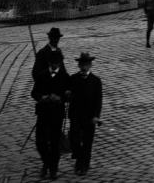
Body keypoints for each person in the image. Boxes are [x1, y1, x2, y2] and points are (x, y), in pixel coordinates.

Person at [31, 50, 69, 180]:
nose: (55, 65)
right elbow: (34, 93)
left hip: (57, 114)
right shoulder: (42, 76)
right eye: (53, 63)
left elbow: (69, 95)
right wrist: (43, 97)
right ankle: (48, 162)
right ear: (49, 63)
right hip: (43, 112)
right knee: (40, 141)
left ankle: (53, 169)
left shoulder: (64, 76)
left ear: (60, 63)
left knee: (54, 142)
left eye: (57, 63)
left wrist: (60, 98)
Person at [68, 52, 103, 177]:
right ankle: (78, 158)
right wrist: (68, 95)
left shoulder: (96, 81)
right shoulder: (73, 79)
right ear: (78, 65)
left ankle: (84, 165)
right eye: (82, 65)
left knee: (87, 143)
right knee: (75, 139)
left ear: (90, 65)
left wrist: (96, 116)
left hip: (89, 117)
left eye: (86, 65)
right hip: (76, 115)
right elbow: (68, 96)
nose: (84, 67)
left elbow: (98, 101)